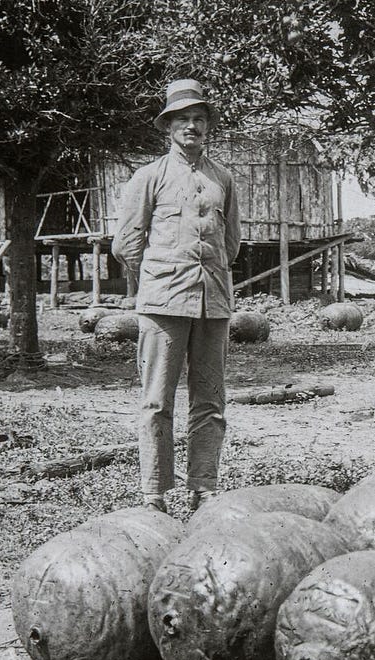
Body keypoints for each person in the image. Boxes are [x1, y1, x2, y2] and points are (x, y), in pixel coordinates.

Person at [113, 79, 242, 512]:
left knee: (210, 400)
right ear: (168, 127)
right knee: (157, 401)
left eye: (199, 119)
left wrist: (210, 277)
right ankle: (154, 491)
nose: (192, 126)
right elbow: (127, 243)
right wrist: (157, 278)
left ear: (208, 127)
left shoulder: (222, 178)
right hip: (163, 302)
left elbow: (233, 241)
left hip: (214, 302)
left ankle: (203, 485)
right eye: (183, 119)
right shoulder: (149, 177)